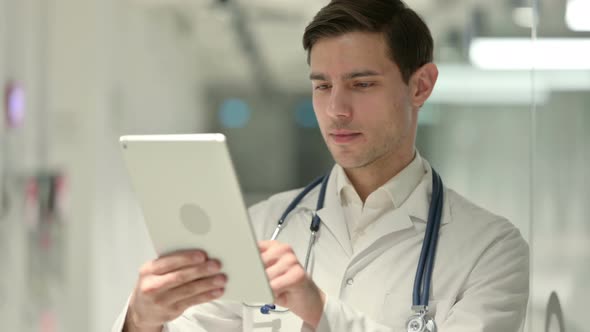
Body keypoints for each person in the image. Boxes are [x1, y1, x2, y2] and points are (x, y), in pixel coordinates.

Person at [112, 0, 529, 331]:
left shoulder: (490, 250)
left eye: (361, 84)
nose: (336, 110)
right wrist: (143, 321)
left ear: (420, 86)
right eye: (322, 86)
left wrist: (321, 310)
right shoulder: (261, 228)